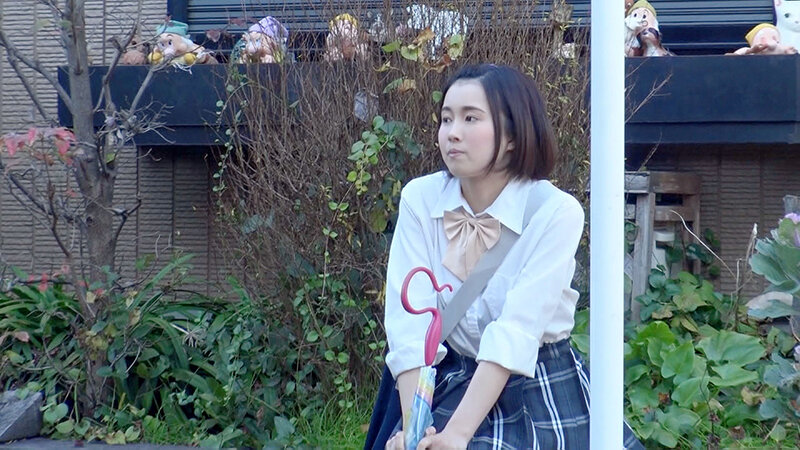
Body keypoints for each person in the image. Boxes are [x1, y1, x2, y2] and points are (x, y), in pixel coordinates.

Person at [364, 64, 644, 449]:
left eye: (470, 118)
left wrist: (458, 435)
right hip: (447, 379)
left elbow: (516, 331)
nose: (452, 133)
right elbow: (408, 326)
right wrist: (414, 429)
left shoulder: (555, 211)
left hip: (535, 381)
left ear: (512, 135)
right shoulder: (420, 198)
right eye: (446, 119)